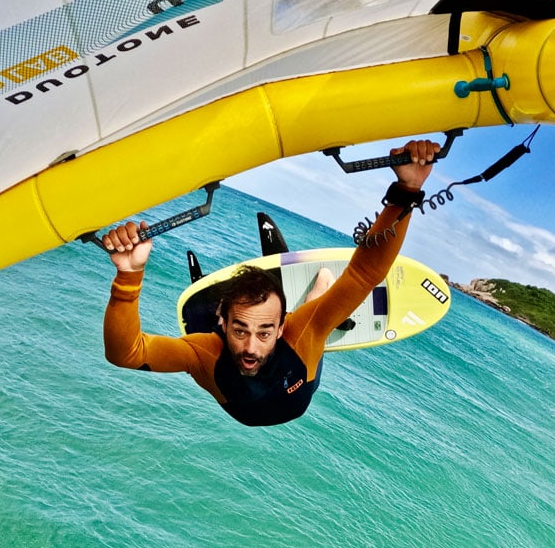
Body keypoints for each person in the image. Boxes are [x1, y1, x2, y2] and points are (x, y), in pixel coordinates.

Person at [102, 138, 440, 426]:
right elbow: (127, 354)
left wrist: (407, 190)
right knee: (315, 318)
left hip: (304, 386)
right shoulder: (204, 353)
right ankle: (307, 291)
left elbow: (364, 274)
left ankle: (321, 282)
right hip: (258, 401)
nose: (251, 348)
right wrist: (128, 276)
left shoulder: (302, 331)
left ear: (281, 328)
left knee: (316, 313)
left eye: (264, 332)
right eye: (240, 331)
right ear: (223, 324)